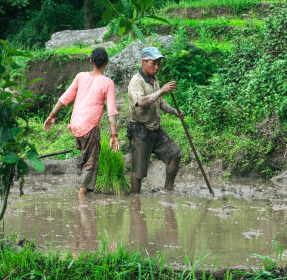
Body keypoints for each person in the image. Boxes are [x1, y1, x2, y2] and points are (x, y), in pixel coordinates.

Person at [44, 47, 119, 196]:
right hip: (89, 127)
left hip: (76, 125)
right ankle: (82, 196)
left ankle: (84, 188)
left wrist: (52, 115)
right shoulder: (107, 82)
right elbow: (111, 112)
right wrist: (114, 135)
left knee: (86, 156)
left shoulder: (81, 76)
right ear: (106, 63)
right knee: (90, 163)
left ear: (91, 62)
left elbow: (65, 97)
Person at [127, 46, 184, 193]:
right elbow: (142, 101)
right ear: (143, 62)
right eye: (154, 63)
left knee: (175, 155)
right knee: (138, 172)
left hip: (155, 128)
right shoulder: (136, 81)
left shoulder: (154, 80)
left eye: (159, 63)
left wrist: (174, 112)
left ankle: (168, 190)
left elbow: (160, 102)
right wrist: (161, 91)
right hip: (140, 129)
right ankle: (135, 199)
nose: (157, 67)